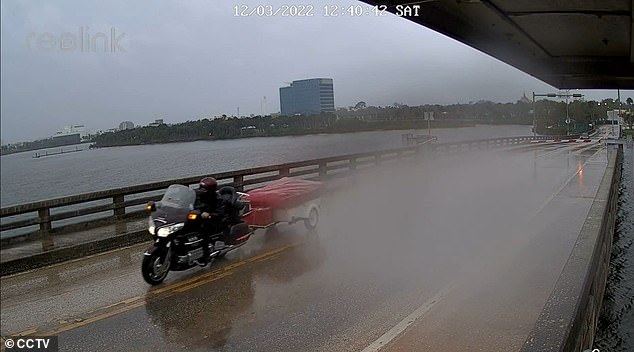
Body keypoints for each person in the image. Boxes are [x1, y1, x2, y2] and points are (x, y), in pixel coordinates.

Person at [194, 177, 224, 265]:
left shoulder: (217, 198)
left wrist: (209, 214)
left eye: (204, 189)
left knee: (203, 230)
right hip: (199, 218)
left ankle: (205, 254)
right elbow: (193, 204)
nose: (202, 190)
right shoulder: (199, 196)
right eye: (201, 188)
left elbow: (220, 212)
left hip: (213, 220)